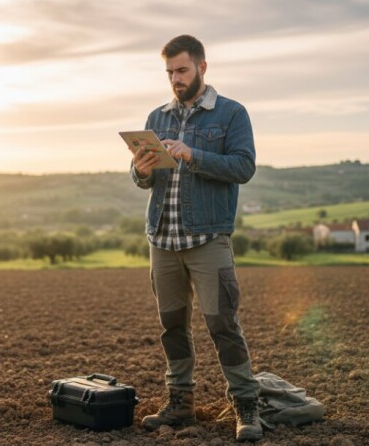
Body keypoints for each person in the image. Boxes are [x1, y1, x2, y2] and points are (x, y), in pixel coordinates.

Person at [128, 34, 262, 442]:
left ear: (202, 67)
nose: (175, 79)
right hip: (162, 240)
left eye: (182, 70)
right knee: (172, 325)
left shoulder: (232, 114)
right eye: (169, 72)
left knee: (223, 323)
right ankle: (180, 404)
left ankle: (246, 406)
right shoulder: (157, 117)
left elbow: (243, 167)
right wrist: (143, 168)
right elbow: (142, 181)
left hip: (208, 238)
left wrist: (192, 154)